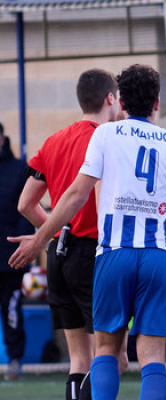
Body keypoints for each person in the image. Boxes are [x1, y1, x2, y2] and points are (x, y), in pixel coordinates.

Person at [8, 63, 166, 400]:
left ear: (122, 102)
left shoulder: (104, 134)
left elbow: (75, 195)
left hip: (113, 253)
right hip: (157, 256)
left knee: (104, 348)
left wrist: (40, 240)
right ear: (157, 102)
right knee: (152, 356)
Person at [15, 68, 123, 400]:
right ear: (110, 99)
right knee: (114, 358)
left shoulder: (53, 140)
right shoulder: (107, 140)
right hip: (95, 255)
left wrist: (53, 233)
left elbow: (25, 204)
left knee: (79, 358)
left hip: (61, 255)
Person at [0, 126, 35, 380]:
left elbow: (28, 210)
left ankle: (14, 359)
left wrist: (24, 248)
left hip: (9, 258)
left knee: (11, 308)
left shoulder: (19, 169)